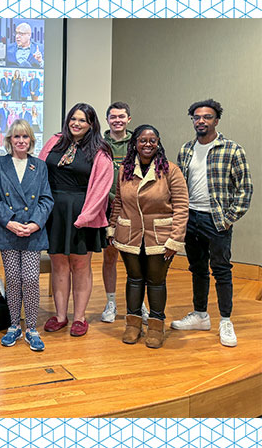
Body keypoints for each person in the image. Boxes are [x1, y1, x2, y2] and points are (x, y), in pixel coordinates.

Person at [171, 99, 253, 347]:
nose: (201, 121)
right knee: (197, 268)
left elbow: (245, 189)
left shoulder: (232, 149)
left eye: (207, 117)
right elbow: (180, 186)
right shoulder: (186, 149)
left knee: (221, 270)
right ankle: (200, 315)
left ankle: (225, 320)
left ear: (216, 120)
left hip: (216, 221)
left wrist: (228, 219)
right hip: (191, 217)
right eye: (197, 117)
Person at [108, 125, 189, 348]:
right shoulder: (124, 170)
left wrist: (175, 239)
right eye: (143, 140)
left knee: (155, 281)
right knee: (134, 279)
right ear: (135, 143)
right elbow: (118, 203)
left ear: (158, 143)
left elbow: (182, 207)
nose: (147, 144)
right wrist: (112, 228)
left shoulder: (170, 170)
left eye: (152, 140)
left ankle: (155, 326)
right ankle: (132, 325)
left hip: (160, 237)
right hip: (129, 235)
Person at [38, 103, 113, 337]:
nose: (76, 123)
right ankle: (61, 316)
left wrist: (87, 216)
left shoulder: (100, 150)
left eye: (82, 120)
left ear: (91, 124)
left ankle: (79, 318)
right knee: (59, 264)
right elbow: (40, 171)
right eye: (73, 119)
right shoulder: (55, 142)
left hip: (84, 212)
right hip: (54, 212)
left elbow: (102, 187)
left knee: (80, 266)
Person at [0, 119, 54, 351]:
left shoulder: (40, 166)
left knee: (32, 280)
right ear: (9, 140)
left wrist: (34, 224)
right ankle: (15, 325)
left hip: (33, 233)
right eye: (17, 137)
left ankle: (32, 328)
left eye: (25, 137)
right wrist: (11, 222)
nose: (21, 141)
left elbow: (46, 199)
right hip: (8, 232)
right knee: (13, 280)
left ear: (31, 141)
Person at [100, 102, 147, 324]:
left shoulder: (139, 142)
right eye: (113, 117)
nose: (117, 120)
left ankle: (139, 304)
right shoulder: (99, 144)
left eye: (121, 116)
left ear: (129, 119)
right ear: (107, 119)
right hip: (106, 209)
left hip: (133, 209)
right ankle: (111, 303)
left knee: (136, 257)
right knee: (110, 256)